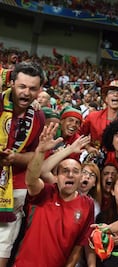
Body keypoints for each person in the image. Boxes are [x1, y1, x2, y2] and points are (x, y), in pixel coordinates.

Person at [13, 123, 94, 266]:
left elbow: (78, 247)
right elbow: (32, 178)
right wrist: (41, 151)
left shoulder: (87, 204)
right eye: (64, 171)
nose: (70, 174)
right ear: (55, 177)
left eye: (76, 171)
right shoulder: (46, 192)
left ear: (81, 177)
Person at [0, 62, 46, 267]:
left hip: (15, 188)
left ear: (39, 90)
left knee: (3, 246)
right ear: (12, 84)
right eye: (22, 86)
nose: (26, 92)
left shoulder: (38, 116)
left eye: (32, 88)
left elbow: (37, 156)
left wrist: (16, 158)